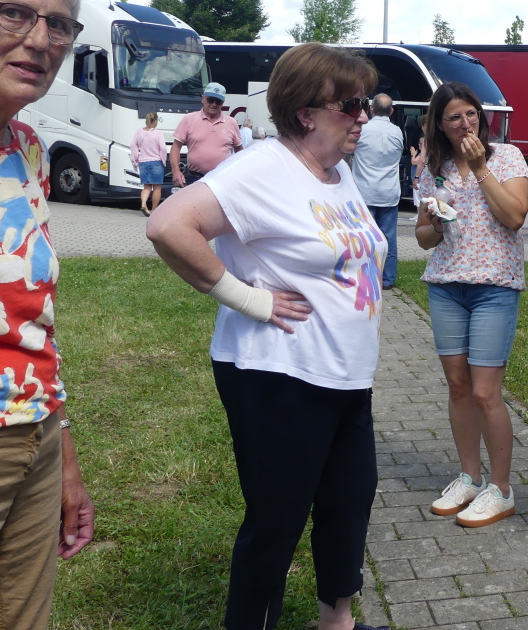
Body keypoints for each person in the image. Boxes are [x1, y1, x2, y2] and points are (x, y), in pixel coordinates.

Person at [147, 43, 388, 630]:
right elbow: (168, 225)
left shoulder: (338, 171)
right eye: (350, 105)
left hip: (344, 373)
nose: (363, 116)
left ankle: (337, 622)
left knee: (350, 498)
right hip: (278, 373)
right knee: (278, 517)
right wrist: (247, 297)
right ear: (306, 112)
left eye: (364, 103)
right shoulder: (261, 167)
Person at [0, 0, 94, 629]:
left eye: (59, 25)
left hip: (34, 441)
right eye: (14, 12)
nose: (40, 40)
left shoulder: (26, 150)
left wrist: (63, 454)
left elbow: (35, 320)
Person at [415, 82, 528, 528]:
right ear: (439, 124)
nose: (465, 124)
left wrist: (481, 169)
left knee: (485, 392)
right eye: (454, 117)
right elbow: (423, 238)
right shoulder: (434, 167)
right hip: (447, 284)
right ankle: (470, 477)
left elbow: (514, 216)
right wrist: (435, 223)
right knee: (459, 387)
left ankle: (501, 490)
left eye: (471, 114)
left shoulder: (507, 157)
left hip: (494, 286)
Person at [351, 93, 404, 290]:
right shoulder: (397, 131)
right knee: (389, 237)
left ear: (371, 109)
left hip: (364, 191)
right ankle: (388, 279)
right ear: (391, 111)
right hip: (389, 191)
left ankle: (363, 276)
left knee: (364, 237)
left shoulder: (363, 130)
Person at [169, 82, 242, 188]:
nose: (214, 104)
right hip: (195, 177)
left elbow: (240, 151)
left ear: (223, 103)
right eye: (210, 100)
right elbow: (175, 147)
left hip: (223, 177)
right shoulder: (189, 119)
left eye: (218, 101)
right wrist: (176, 171)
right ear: (203, 99)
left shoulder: (231, 123)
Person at [130, 111, 167, 215]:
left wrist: (136, 158)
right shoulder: (158, 133)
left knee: (147, 187)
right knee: (157, 188)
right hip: (156, 162)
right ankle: (153, 210)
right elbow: (163, 148)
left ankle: (143, 204)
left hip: (143, 162)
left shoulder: (139, 132)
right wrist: (163, 159)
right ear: (155, 121)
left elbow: (132, 145)